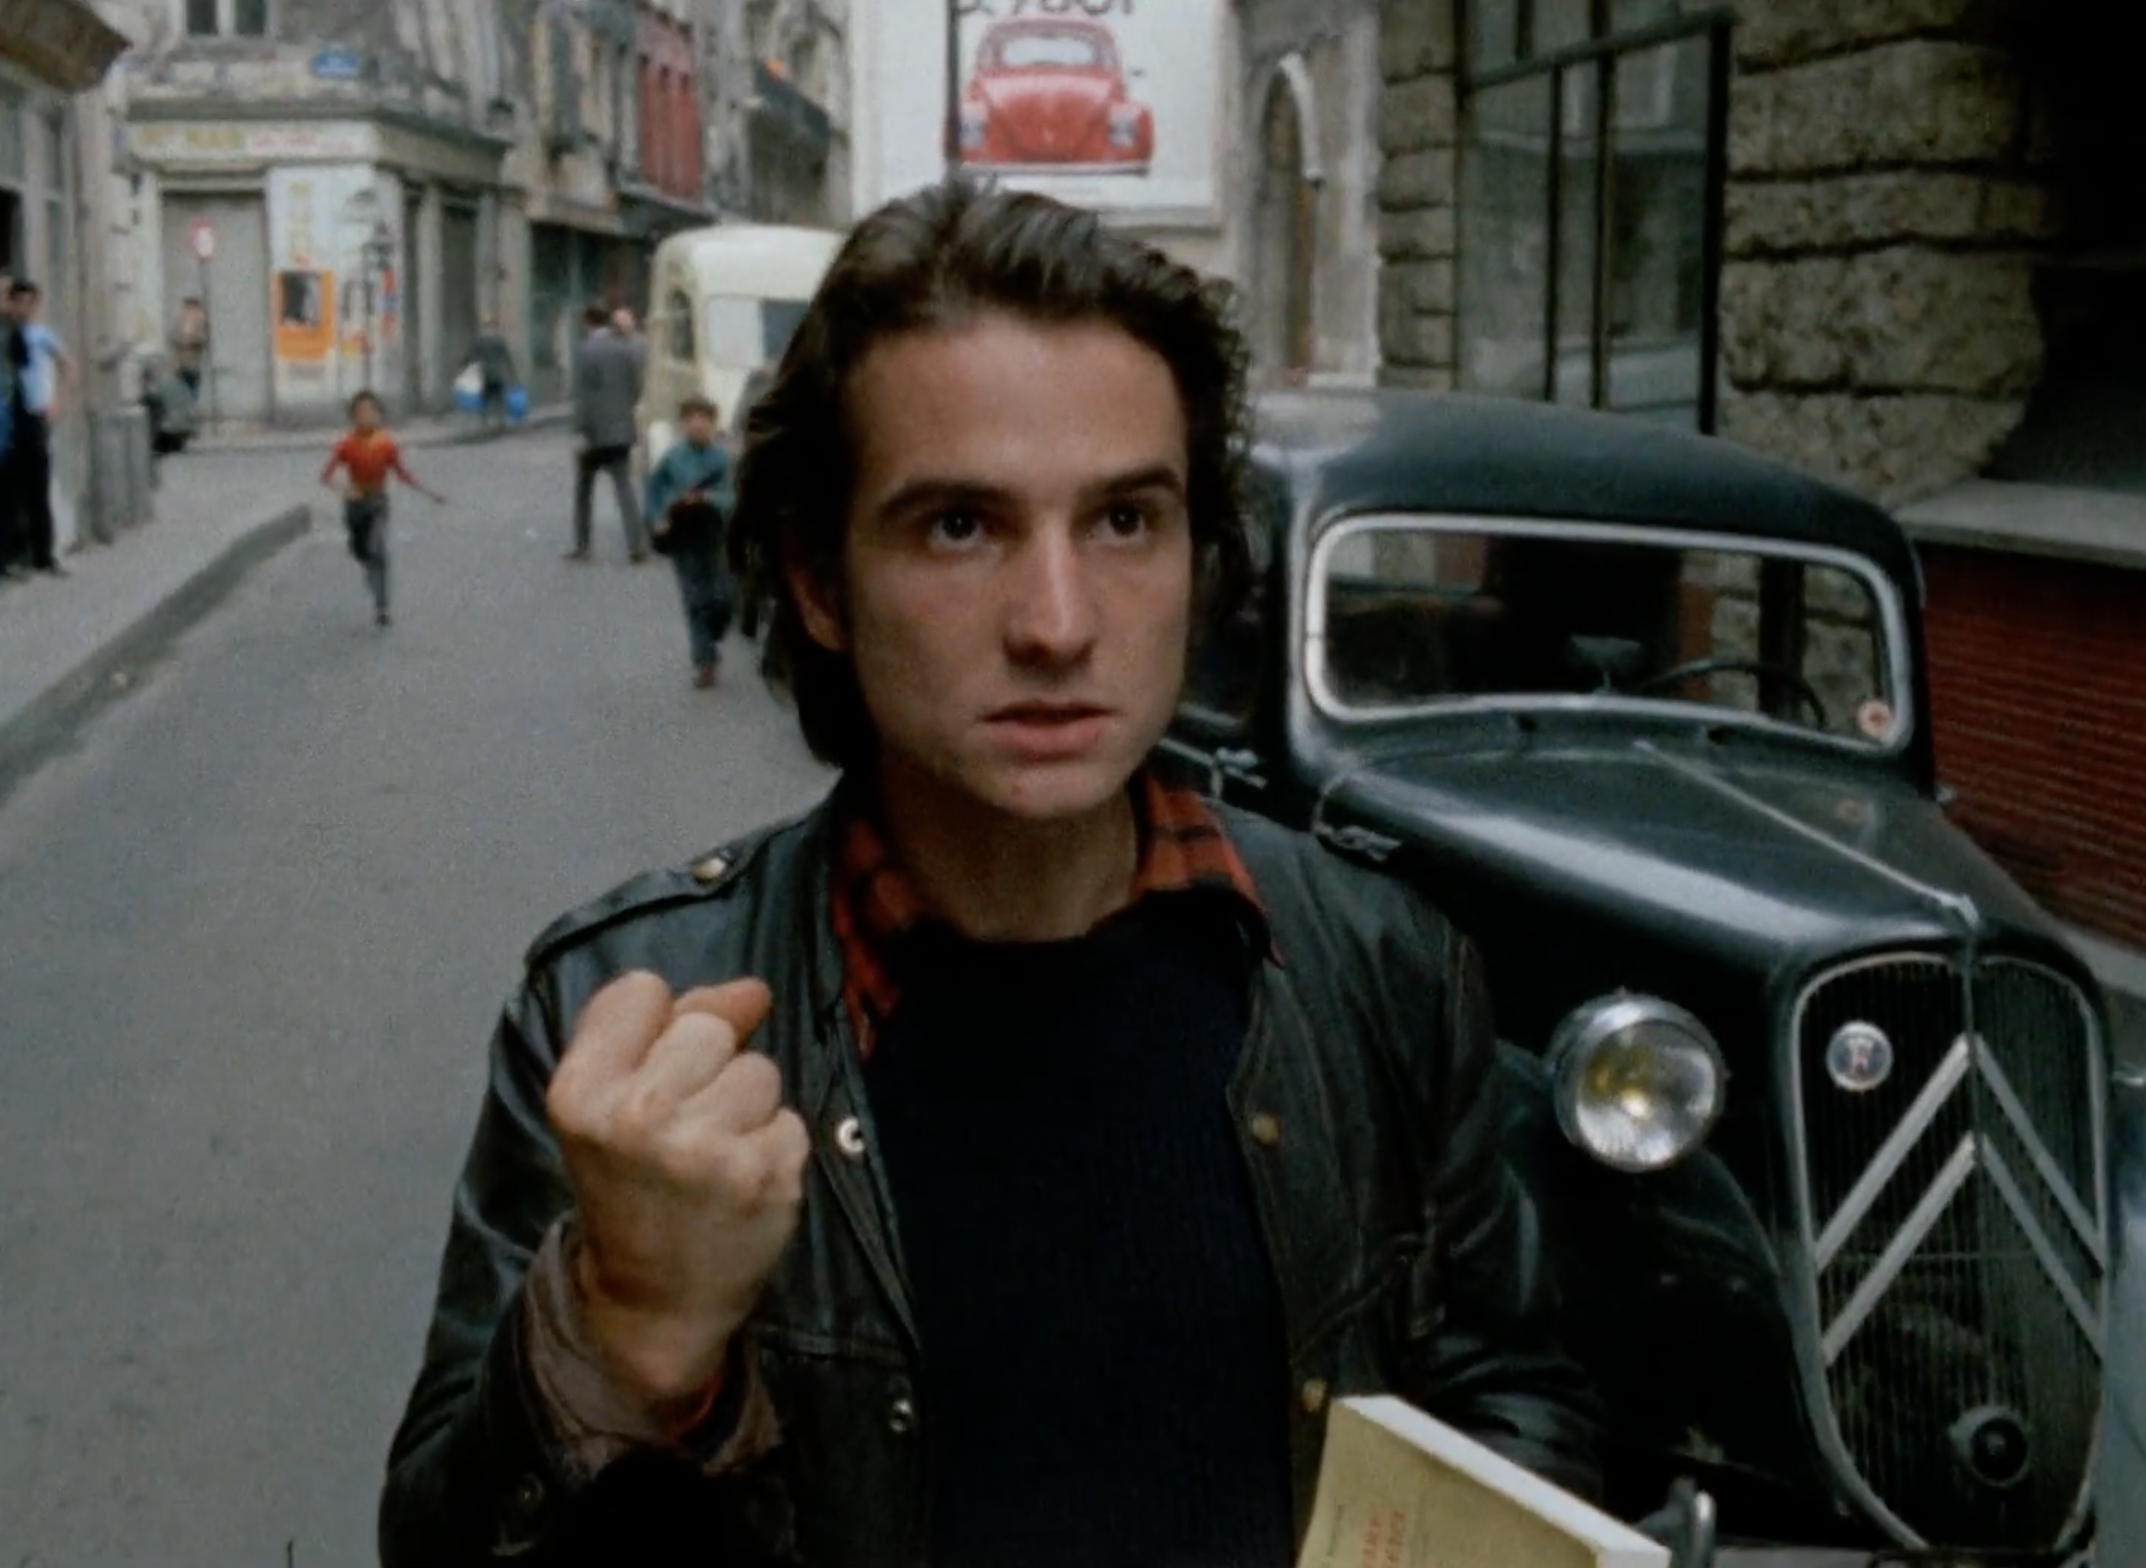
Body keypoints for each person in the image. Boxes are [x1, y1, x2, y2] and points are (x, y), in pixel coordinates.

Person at [378, 178, 1600, 1568]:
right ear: (820, 583)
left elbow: (1512, 1391)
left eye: (1124, 521)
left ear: (1200, 558)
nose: (1058, 625)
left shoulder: (1373, 966)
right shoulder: (633, 1027)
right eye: (960, 525)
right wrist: (621, 1345)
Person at [319, 390, 446, 627]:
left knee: (378, 549)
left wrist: (429, 493)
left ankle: (382, 605)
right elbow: (325, 477)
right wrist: (346, 490)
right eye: (361, 412)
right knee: (361, 550)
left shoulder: (387, 445)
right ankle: (368, 566)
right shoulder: (346, 445)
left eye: (372, 411)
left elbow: (402, 474)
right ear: (353, 417)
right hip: (355, 506)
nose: (367, 416)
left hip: (377, 502)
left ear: (379, 415)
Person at [642, 394, 737, 690]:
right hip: (684, 536)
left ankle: (714, 631)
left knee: (723, 599)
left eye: (702, 418)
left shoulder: (723, 459)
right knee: (695, 599)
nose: (696, 425)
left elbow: (734, 496)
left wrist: (706, 498)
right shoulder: (672, 458)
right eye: (690, 419)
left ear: (712, 423)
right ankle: (704, 661)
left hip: (716, 534)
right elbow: (654, 491)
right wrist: (657, 517)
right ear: (682, 424)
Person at [3, 279, 76, 578]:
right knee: (10, 489)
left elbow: (68, 365)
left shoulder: (40, 335)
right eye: (18, 302)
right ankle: (11, 556)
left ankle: (43, 555)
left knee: (38, 486)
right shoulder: (6, 335)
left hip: (33, 414)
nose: (23, 308)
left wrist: (58, 403)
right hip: (9, 415)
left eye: (28, 303)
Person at [568, 302, 648, 563]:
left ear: (587, 323)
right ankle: (636, 545)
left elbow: (582, 395)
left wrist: (580, 430)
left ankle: (583, 545)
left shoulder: (584, 350)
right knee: (624, 486)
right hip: (621, 428)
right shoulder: (625, 349)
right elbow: (636, 387)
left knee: (584, 488)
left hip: (594, 433)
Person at [467, 315, 518, 433]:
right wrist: (512, 373)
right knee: (499, 398)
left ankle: (484, 422)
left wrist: (470, 369)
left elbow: (472, 356)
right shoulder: (498, 340)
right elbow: (506, 357)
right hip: (496, 373)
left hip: (485, 373)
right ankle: (500, 421)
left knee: (485, 398)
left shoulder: (480, 341)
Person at [169, 296, 209, 398]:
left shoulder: (200, 319)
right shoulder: (179, 319)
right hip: (180, 360)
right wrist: (180, 342)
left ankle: (191, 400)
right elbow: (173, 336)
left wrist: (192, 342)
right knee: (181, 381)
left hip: (193, 361)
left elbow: (203, 338)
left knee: (191, 383)